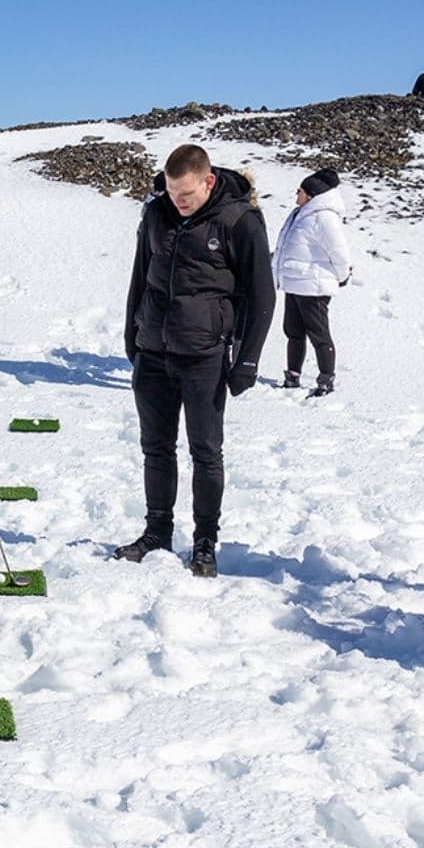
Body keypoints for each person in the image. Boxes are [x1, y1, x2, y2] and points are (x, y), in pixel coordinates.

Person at [116, 145, 274, 577]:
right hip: (153, 352)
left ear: (207, 181)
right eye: (171, 192)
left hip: (204, 356)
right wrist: (133, 334)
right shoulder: (156, 214)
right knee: (156, 448)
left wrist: (247, 360)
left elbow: (262, 295)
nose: (178, 201)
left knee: (206, 452)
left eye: (185, 193)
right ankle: (157, 531)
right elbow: (140, 276)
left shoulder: (238, 220)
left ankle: (205, 541)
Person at [273, 168, 354, 397]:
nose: (295, 194)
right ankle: (292, 376)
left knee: (319, 335)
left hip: (314, 286)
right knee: (293, 332)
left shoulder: (323, 217)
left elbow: (339, 252)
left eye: (299, 191)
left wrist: (342, 276)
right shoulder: (299, 214)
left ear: (310, 194)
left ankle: (326, 380)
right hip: (294, 283)